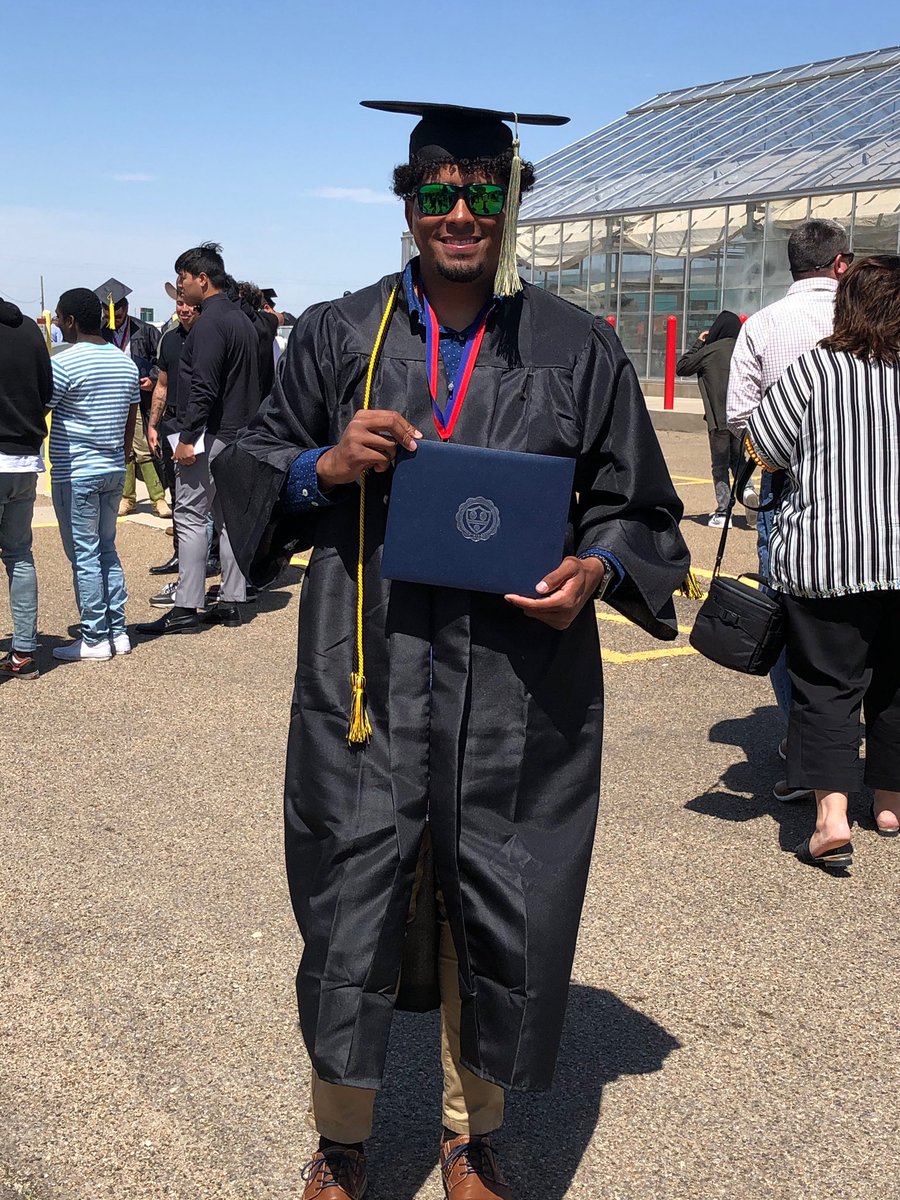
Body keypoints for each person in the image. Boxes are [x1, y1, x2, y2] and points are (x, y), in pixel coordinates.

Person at [213, 100, 689, 1200]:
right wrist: (322, 467)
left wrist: (597, 571)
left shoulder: (574, 344)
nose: (460, 213)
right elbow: (255, 456)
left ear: (513, 201)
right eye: (438, 192)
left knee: (501, 897)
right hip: (366, 669)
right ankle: (342, 1139)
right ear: (407, 202)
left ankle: (472, 1136)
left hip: (519, 677)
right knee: (350, 894)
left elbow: (637, 507)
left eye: (482, 191)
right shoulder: (339, 333)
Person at [746, 255, 900, 870]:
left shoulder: (816, 369)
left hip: (827, 558)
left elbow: (764, 445)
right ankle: (889, 803)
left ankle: (832, 819)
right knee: (896, 681)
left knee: (827, 685)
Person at [726, 218, 853, 801]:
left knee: (785, 615)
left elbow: (740, 415)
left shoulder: (763, 324)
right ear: (841, 263)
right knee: (863, 616)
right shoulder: (864, 323)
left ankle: (804, 743)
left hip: (786, 490)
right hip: (872, 492)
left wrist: (782, 448)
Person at [135, 243, 259, 637]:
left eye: (183, 280)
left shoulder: (208, 324)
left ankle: (186, 605)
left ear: (202, 280)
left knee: (189, 516)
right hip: (242, 435)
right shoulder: (243, 320)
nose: (180, 287)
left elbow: (203, 387)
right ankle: (233, 599)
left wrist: (188, 438)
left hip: (210, 435)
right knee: (228, 518)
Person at [48, 288, 140, 661]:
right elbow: (131, 418)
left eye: (58, 318)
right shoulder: (125, 363)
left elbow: (41, 408)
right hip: (114, 467)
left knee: (84, 555)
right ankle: (118, 631)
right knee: (106, 549)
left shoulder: (64, 364)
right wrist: (122, 452)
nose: (56, 323)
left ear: (71, 321)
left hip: (77, 470)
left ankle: (94, 636)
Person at [0, 296, 52, 678]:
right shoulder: (30, 329)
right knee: (19, 554)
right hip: (24, 460)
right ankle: (23, 651)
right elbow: (47, 392)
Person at [94, 278, 169, 519]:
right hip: (112, 399)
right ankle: (127, 498)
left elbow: (162, 363)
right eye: (107, 312)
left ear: (125, 309)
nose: (112, 317)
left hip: (139, 397)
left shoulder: (144, 331)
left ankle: (158, 498)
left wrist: (153, 379)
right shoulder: (100, 332)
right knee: (122, 449)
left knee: (143, 446)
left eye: (116, 312)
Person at [145, 287, 202, 585]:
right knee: (176, 493)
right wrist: (153, 425)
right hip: (172, 422)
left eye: (190, 304)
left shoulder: (209, 336)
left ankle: (207, 557)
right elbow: (162, 385)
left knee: (202, 500)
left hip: (201, 425)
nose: (185, 309)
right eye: (180, 304)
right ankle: (180, 553)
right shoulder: (168, 339)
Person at [676, 311, 750, 526]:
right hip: (742, 418)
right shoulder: (744, 349)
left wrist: (699, 343)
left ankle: (723, 512)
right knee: (739, 459)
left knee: (720, 464)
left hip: (718, 419)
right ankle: (747, 492)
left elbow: (682, 367)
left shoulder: (710, 351)